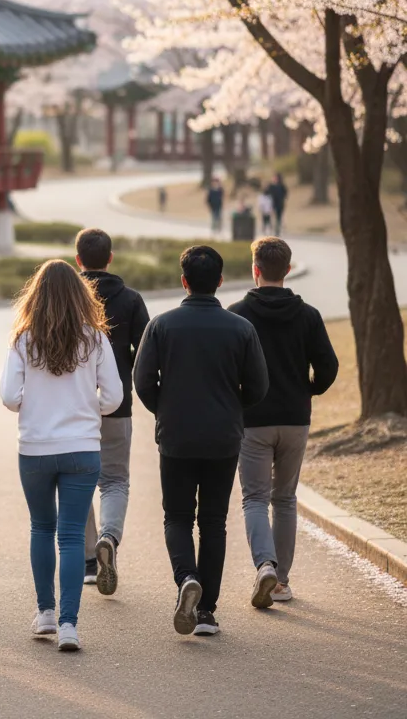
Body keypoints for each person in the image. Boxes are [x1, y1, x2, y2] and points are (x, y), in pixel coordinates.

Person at [134, 246, 269, 638]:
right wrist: (232, 407)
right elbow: (259, 386)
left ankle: (186, 579)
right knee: (213, 521)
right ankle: (207, 611)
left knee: (176, 516)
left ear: (184, 281)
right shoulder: (241, 329)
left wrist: (165, 409)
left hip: (175, 436)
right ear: (221, 282)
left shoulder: (161, 325)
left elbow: (142, 382)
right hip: (223, 437)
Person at [1, 261, 123, 652]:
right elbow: (115, 397)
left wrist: (32, 405)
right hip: (82, 447)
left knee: (42, 528)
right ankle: (70, 625)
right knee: (72, 536)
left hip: (35, 447)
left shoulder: (23, 339)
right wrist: (90, 409)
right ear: (80, 295)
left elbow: (8, 397)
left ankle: (46, 614)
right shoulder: (96, 339)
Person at [229, 238, 338, 607]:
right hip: (295, 417)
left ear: (255, 270)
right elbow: (329, 366)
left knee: (255, 498)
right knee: (285, 499)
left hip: (253, 420)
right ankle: (281, 583)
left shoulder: (238, 313)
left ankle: (265, 565)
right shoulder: (308, 315)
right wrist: (309, 389)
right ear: (288, 270)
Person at [74, 228, 150, 596]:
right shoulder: (131, 299)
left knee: (80, 481)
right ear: (111, 258)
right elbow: (147, 352)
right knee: (115, 480)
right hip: (117, 403)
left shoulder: (65, 300)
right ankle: (110, 537)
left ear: (78, 260)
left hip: (72, 405)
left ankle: (90, 562)